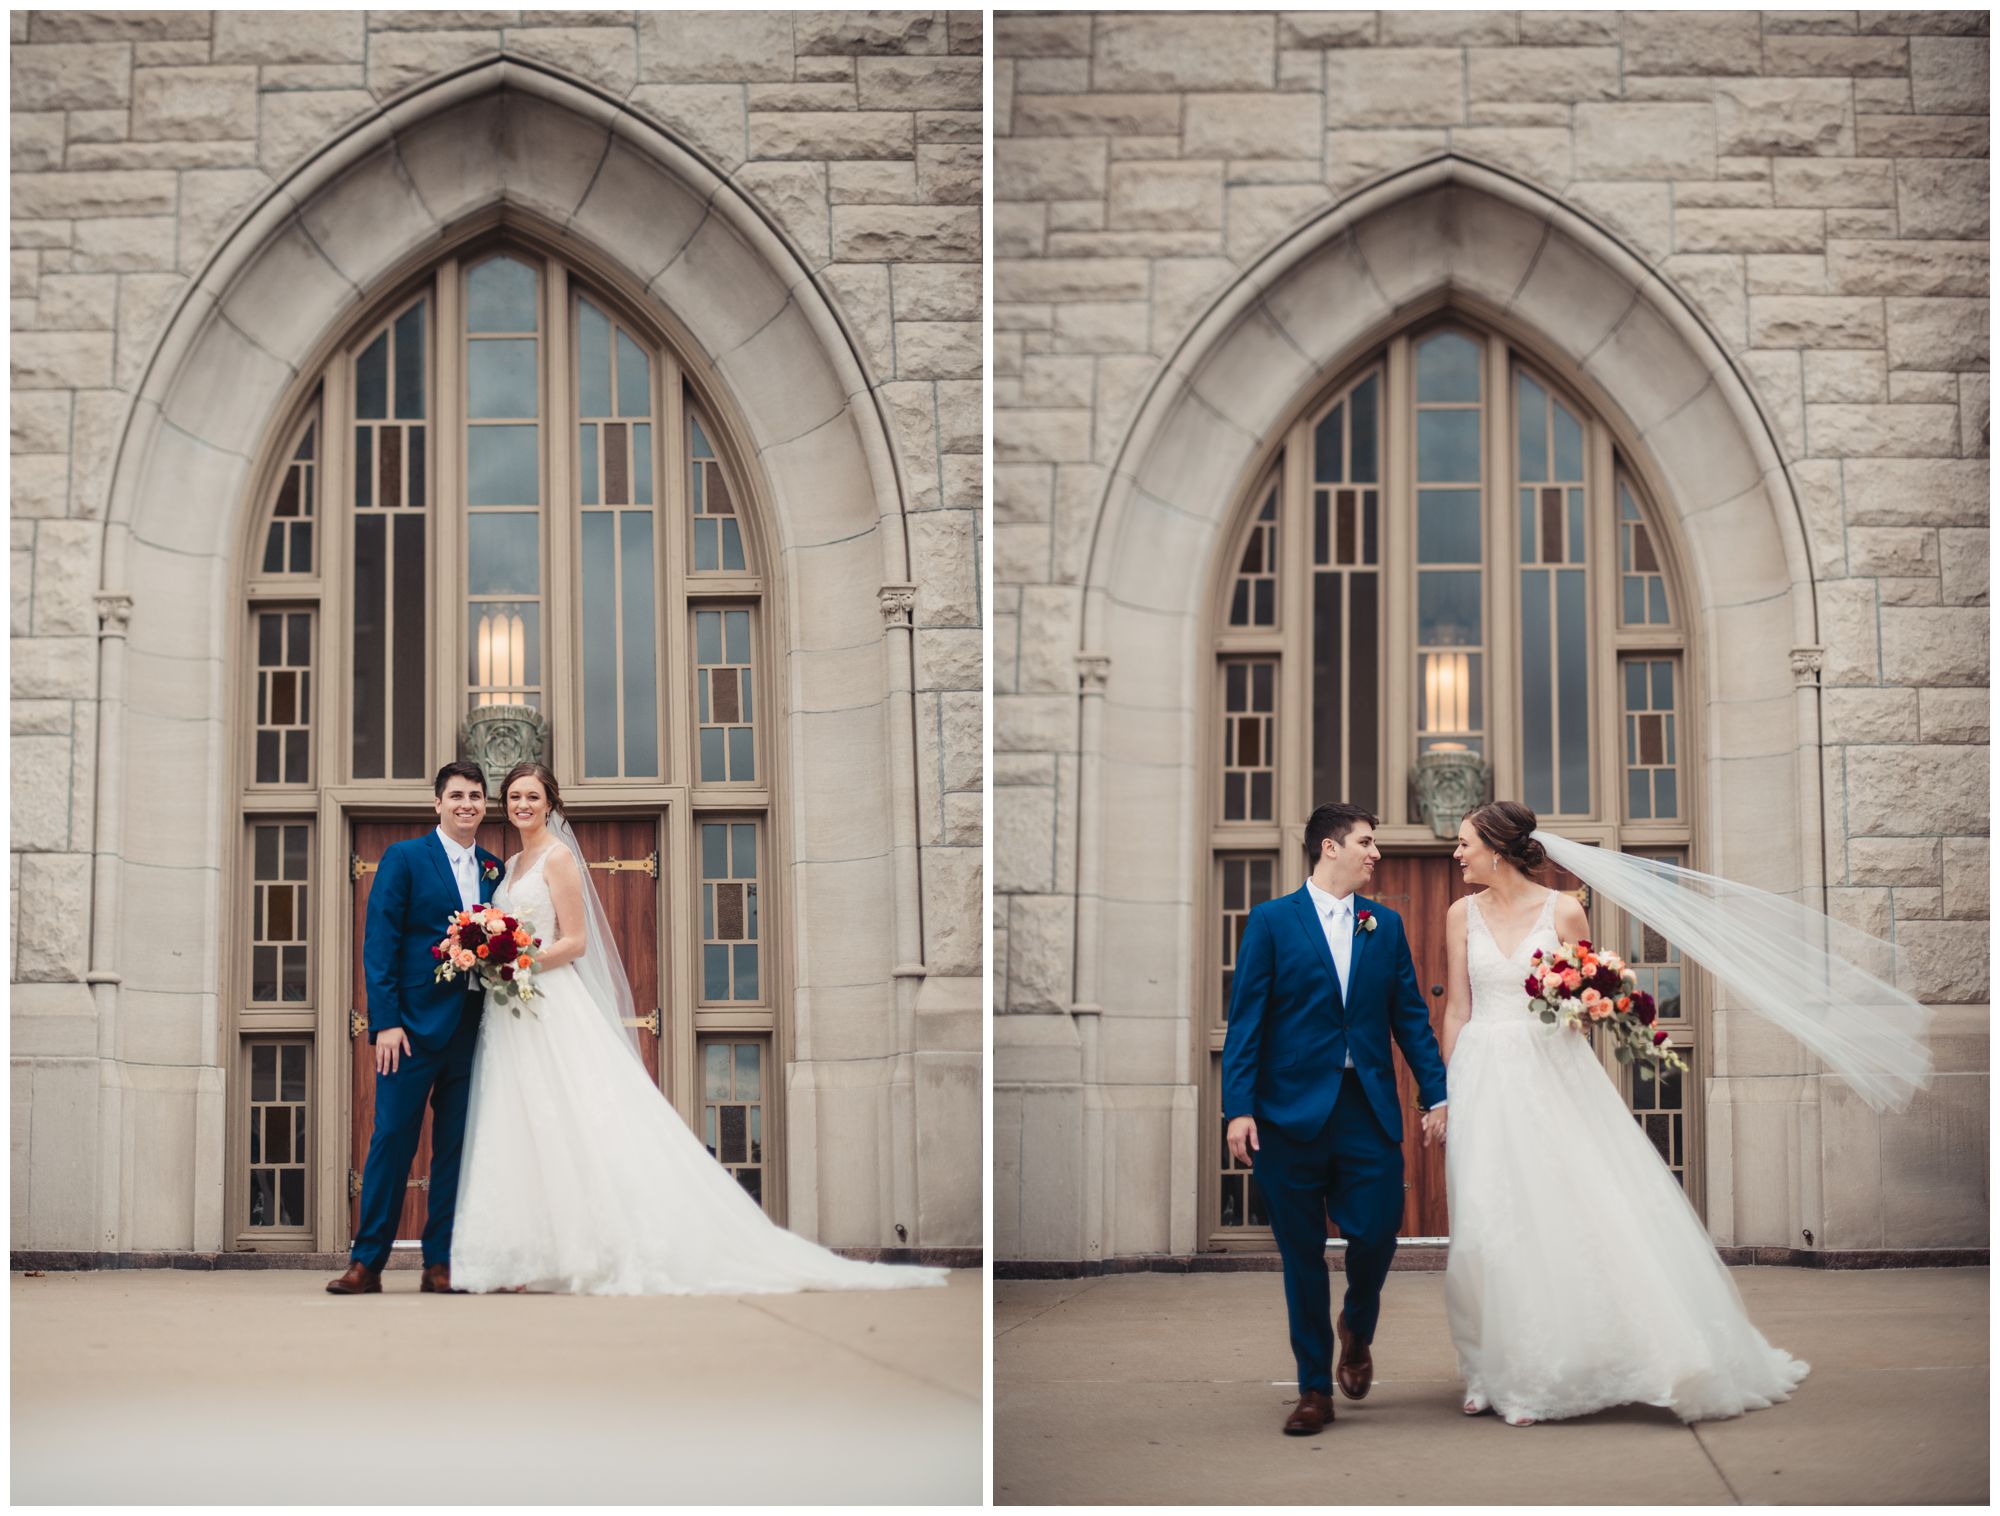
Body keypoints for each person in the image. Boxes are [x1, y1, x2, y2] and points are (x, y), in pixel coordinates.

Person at [447, 761, 948, 1295]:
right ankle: (522, 1254)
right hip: (512, 1013)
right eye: (515, 796)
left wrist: (516, 962)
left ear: (550, 802)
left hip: (548, 1001)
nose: (523, 804)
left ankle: (599, 1247)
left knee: (576, 1116)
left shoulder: (558, 858)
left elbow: (575, 942)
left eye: (533, 795)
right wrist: (489, 954)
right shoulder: (511, 864)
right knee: (519, 1120)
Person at [1440, 800, 1809, 1426]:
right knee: (1483, 1223)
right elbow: (1456, 1008)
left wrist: (1581, 1001)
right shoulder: (1459, 914)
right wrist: (1449, 1091)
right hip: (1481, 1074)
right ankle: (1486, 1369)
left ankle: (1544, 1373)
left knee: (1557, 1214)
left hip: (1548, 1075)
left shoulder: (1564, 909)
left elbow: (1585, 1009)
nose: (1457, 853)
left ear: (1496, 850)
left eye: (1464, 842)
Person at [1221, 802, 1449, 1436]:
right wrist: (1238, 1108)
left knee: (1377, 1234)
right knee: (1301, 1257)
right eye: (1367, 842)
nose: (1376, 853)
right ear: (1329, 847)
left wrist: (1438, 1093)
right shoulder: (1271, 922)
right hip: (1286, 1115)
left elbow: (1410, 1018)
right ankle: (1313, 1390)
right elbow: (1247, 1022)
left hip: (1365, 1109)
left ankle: (1357, 1324)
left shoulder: (1386, 924)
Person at [328, 761, 503, 1296]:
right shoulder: (405, 858)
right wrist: (385, 1023)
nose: (466, 804)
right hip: (408, 1032)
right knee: (393, 1141)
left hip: (474, 1029)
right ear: (437, 804)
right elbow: (379, 943)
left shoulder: (495, 870)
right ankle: (367, 1262)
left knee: (454, 1148)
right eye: (456, 796)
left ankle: (439, 1263)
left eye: (475, 796)